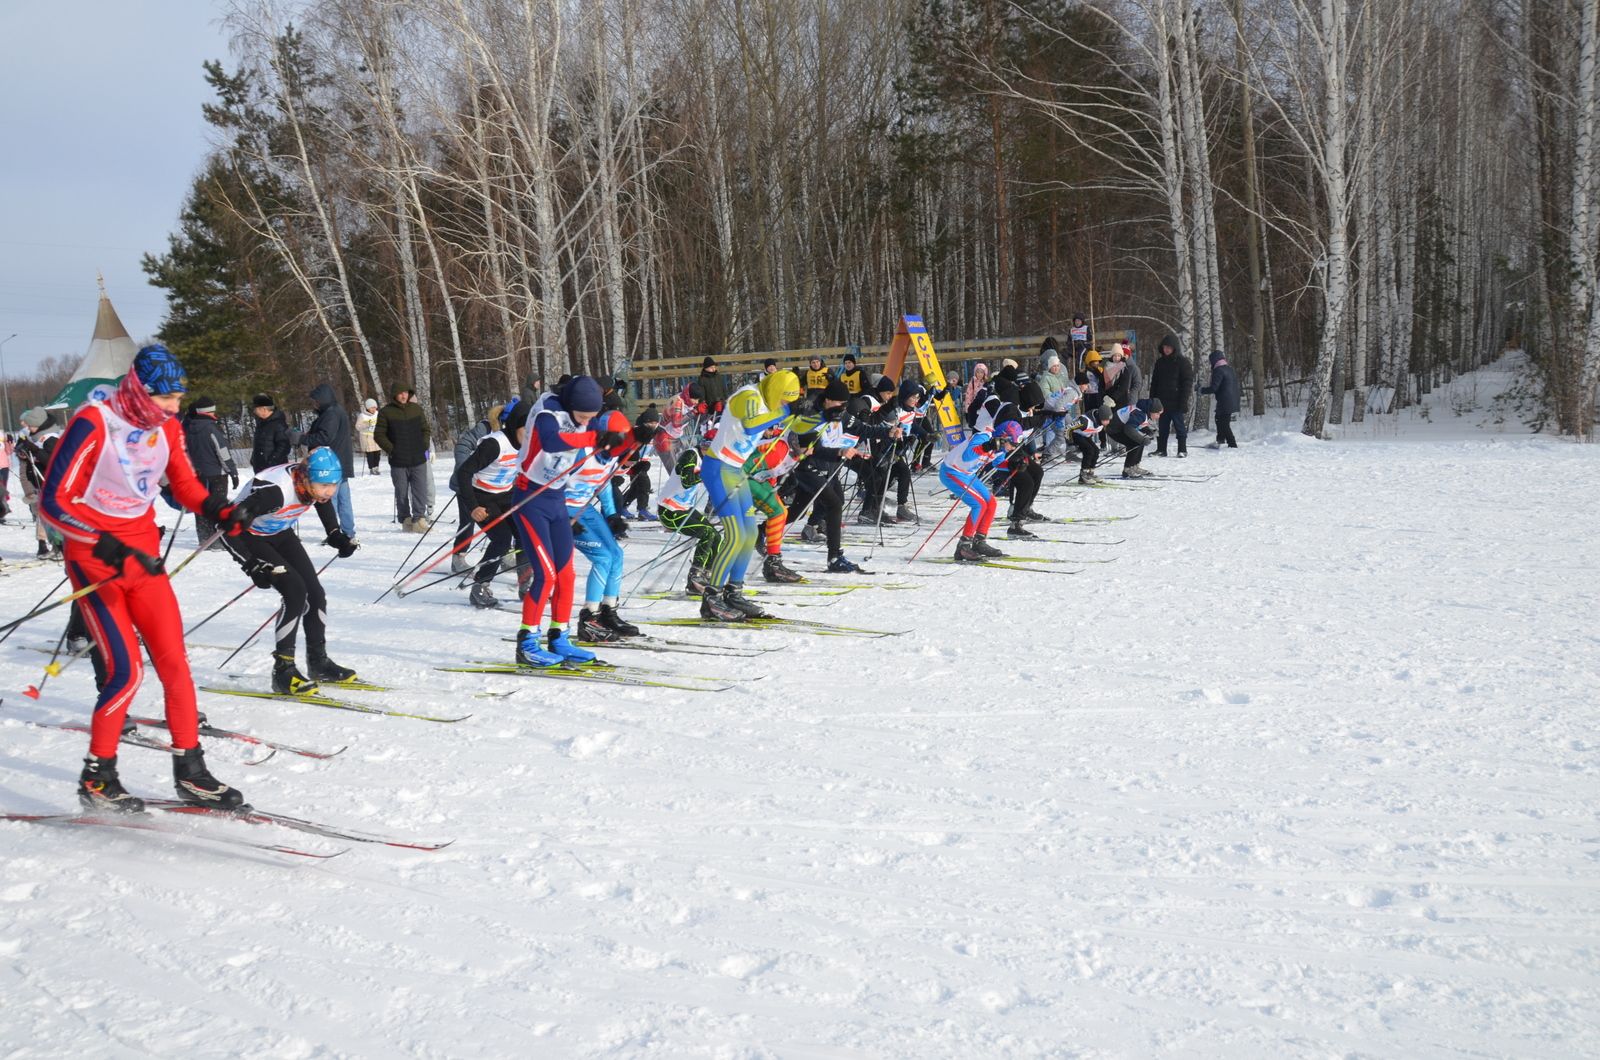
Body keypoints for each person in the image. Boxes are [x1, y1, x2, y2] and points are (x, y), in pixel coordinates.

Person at [39, 343, 251, 812]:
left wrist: (216, 507)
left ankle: (191, 772)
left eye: (178, 399)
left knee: (174, 662)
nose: (174, 408)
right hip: (94, 559)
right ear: (139, 391)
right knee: (125, 671)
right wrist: (102, 542)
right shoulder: (94, 422)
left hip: (142, 555)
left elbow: (185, 484)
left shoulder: (168, 427)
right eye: (165, 399)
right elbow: (53, 502)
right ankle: (98, 776)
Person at [508, 376, 626, 666]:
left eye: (591, 418)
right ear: (572, 405)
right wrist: (592, 437)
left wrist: (633, 437)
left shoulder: (585, 415)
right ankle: (527, 643)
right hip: (530, 499)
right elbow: (549, 441)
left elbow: (611, 432)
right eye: (583, 417)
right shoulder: (549, 410)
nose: (587, 421)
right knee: (546, 574)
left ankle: (559, 637)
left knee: (567, 575)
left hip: (557, 499)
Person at [224, 447, 360, 694]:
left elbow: (321, 501)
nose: (329, 491)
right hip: (250, 537)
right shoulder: (274, 493)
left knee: (315, 594)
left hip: (280, 532)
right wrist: (251, 565)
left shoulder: (310, 485)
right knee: (295, 591)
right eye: (323, 485)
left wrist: (335, 534)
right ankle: (283, 672)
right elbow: (224, 528)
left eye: (334, 485)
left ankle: (318, 662)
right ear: (307, 477)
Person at [699, 369, 810, 620]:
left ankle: (733, 592)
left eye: (786, 402)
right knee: (735, 535)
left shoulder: (770, 404)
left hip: (736, 469)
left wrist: (822, 414)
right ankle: (711, 597)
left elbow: (796, 425)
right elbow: (750, 426)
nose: (782, 405)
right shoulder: (748, 396)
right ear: (774, 391)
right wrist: (785, 412)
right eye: (783, 399)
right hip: (719, 468)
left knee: (749, 534)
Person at [790, 378, 888, 575]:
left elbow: (862, 428)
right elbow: (811, 450)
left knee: (803, 508)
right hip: (809, 467)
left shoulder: (841, 414)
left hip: (830, 467)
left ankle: (764, 531)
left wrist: (888, 431)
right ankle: (834, 557)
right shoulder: (812, 416)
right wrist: (840, 453)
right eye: (838, 403)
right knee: (833, 504)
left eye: (844, 404)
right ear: (827, 400)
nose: (842, 408)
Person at [568, 410, 643, 643]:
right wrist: (561, 519)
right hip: (565, 510)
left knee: (616, 554)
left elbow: (604, 485)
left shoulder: (610, 456)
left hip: (585, 509)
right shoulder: (581, 451)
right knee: (602, 557)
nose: (620, 445)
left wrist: (612, 515)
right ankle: (589, 618)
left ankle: (608, 611)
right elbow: (550, 484)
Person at [453, 401, 518, 608]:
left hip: (504, 494)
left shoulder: (525, 440)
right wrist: (473, 507)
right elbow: (464, 466)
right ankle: (479, 583)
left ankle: (527, 583)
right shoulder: (491, 440)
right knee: (500, 538)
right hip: (477, 493)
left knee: (525, 533)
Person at [939, 420, 1019, 562]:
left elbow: (997, 463)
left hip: (968, 475)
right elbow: (967, 456)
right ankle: (963, 546)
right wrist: (987, 446)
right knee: (979, 504)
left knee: (991, 503)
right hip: (952, 471)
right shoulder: (983, 437)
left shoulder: (1000, 448)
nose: (1013, 448)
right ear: (1004, 437)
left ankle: (979, 542)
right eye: (1012, 444)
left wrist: (1013, 465)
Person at [656, 449, 722, 596]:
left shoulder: (710, 459)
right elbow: (687, 481)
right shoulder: (691, 455)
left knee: (716, 536)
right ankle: (695, 578)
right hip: (669, 510)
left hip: (685, 508)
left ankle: (708, 574)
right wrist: (707, 473)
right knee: (707, 533)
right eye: (707, 445)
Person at [449, 402, 505, 573]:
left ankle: (504, 555)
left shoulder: (510, 435)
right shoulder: (484, 428)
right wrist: (468, 470)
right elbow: (462, 447)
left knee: (503, 522)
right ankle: (458, 557)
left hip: (493, 487)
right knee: (468, 521)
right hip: (467, 484)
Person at [181, 395, 239, 549]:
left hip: (197, 475)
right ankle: (218, 541)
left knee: (201, 506)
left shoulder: (187, 428)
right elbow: (223, 453)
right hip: (216, 475)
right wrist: (232, 472)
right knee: (218, 507)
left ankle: (205, 539)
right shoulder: (211, 428)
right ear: (209, 411)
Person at [300, 383, 356, 539]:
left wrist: (302, 438)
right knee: (343, 500)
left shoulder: (331, 414)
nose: (314, 404)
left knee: (332, 500)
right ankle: (348, 532)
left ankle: (338, 533)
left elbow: (324, 438)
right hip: (339, 462)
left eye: (316, 401)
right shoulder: (334, 411)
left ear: (323, 399)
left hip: (331, 465)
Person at [374, 383, 432, 531]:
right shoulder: (386, 412)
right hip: (398, 461)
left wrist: (423, 445)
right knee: (401, 491)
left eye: (406, 392)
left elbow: (425, 429)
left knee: (420, 490)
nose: (404, 395)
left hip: (418, 458)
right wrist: (392, 449)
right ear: (394, 395)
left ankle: (419, 519)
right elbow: (379, 435)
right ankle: (406, 519)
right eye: (400, 393)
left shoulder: (416, 409)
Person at [1149, 334, 1193, 457]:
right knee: (1162, 428)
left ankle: (1182, 450)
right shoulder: (1159, 362)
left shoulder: (1183, 362)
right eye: (1164, 347)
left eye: (1169, 347)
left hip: (1177, 401)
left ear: (1174, 348)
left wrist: (1184, 401)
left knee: (1179, 427)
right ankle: (1161, 450)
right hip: (1161, 402)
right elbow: (1154, 382)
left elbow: (1187, 383)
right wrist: (1152, 400)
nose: (1166, 349)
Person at [1108, 398, 1163, 477]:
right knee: (1135, 442)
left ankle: (1135, 466)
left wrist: (1147, 431)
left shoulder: (1142, 410)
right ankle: (1128, 469)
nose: (1159, 417)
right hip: (1114, 430)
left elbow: (1136, 423)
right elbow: (1129, 428)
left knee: (1139, 441)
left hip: (1120, 427)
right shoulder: (1140, 413)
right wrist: (1142, 439)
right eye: (1158, 414)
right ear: (1152, 411)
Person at [1200, 350, 1241, 448]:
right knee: (1219, 418)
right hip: (1233, 399)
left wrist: (1201, 390)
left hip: (1225, 400)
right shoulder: (1229, 369)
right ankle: (1220, 440)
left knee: (1223, 423)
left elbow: (1214, 388)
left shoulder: (1218, 370)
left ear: (1214, 361)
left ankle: (1232, 444)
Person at [1071, 406, 1113, 484]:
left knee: (1096, 451)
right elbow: (1069, 428)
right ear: (1100, 418)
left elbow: (1101, 432)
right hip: (1075, 435)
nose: (1108, 422)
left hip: (1085, 435)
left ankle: (1090, 472)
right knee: (1089, 450)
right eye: (1106, 420)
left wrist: (1103, 442)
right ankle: (1083, 475)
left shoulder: (1099, 422)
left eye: (1109, 420)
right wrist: (1071, 443)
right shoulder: (1085, 421)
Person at [249, 393, 290, 472]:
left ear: (264, 409)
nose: (254, 411)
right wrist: (254, 458)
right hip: (260, 468)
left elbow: (284, 446)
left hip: (273, 469)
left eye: (256, 409)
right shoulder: (261, 423)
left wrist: (272, 461)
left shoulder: (279, 424)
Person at [357, 398, 381, 474]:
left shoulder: (377, 414)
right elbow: (357, 426)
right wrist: (366, 425)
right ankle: (371, 468)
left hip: (376, 437)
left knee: (377, 453)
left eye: (375, 407)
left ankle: (376, 468)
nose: (374, 409)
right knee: (370, 454)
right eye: (372, 407)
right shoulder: (362, 416)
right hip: (367, 438)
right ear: (367, 408)